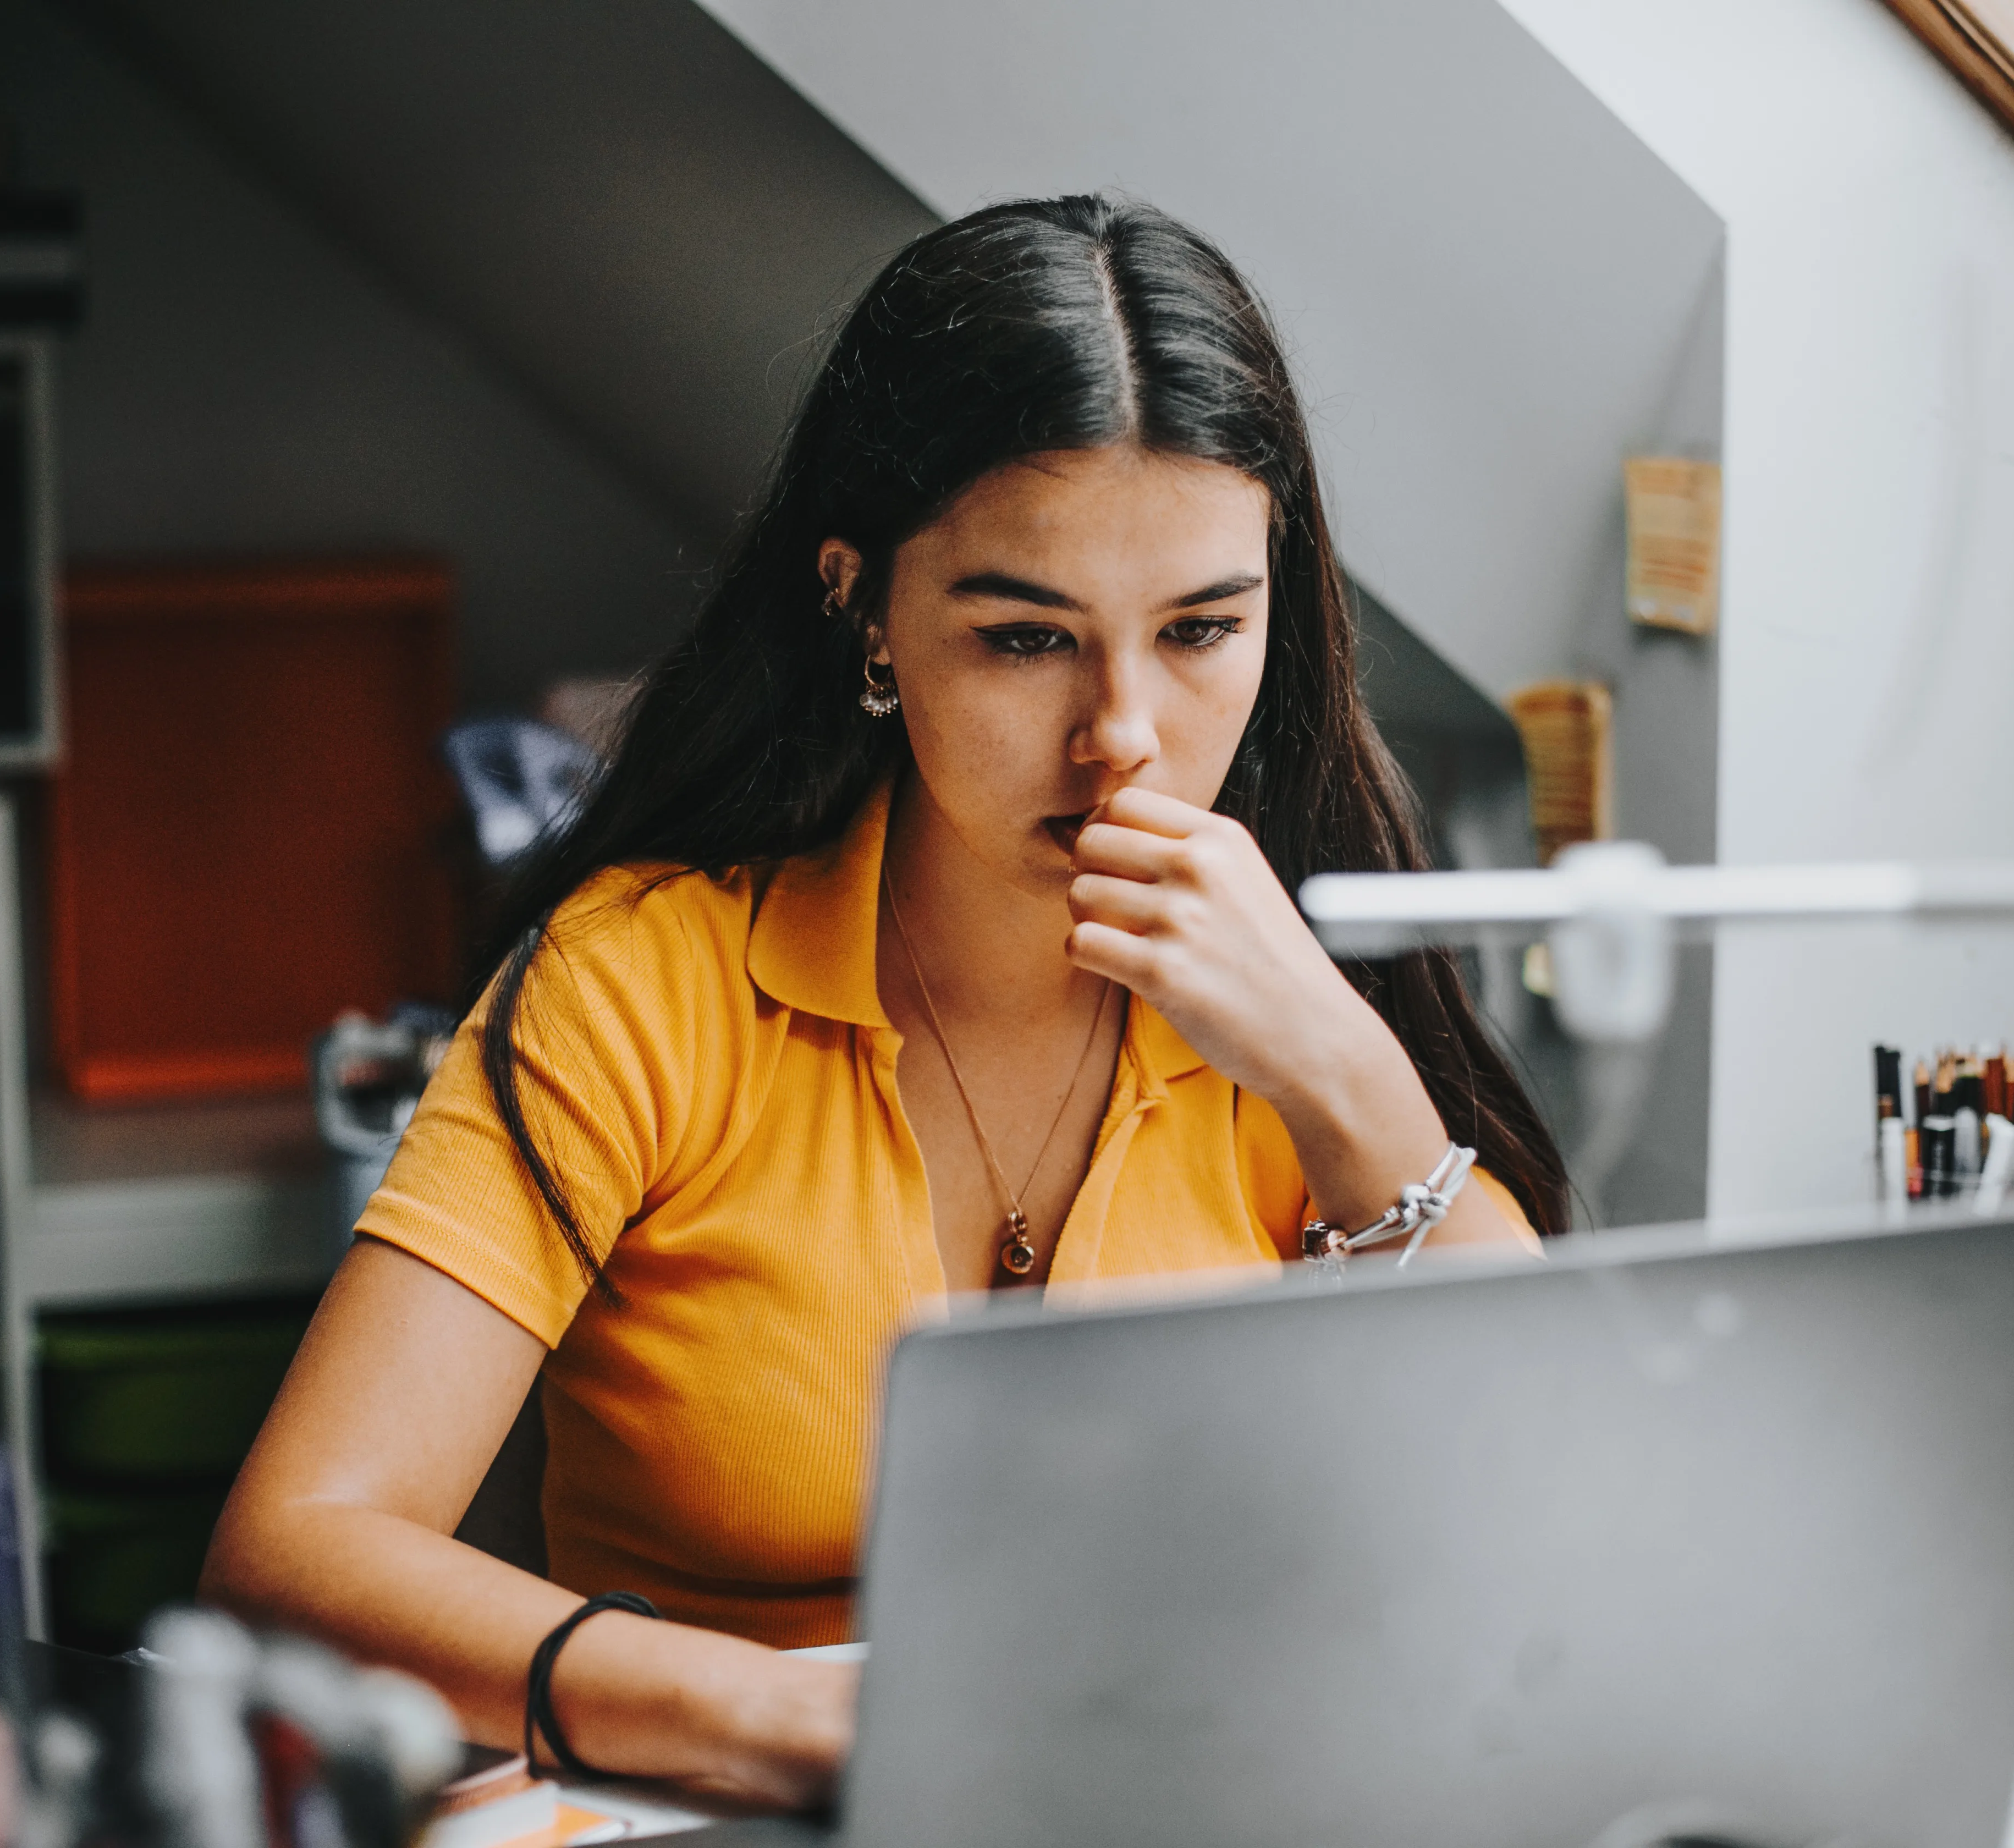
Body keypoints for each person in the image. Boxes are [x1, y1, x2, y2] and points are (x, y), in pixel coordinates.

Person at [202, 194, 1569, 1810]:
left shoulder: (1290, 1009)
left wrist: (1346, 1079)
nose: (1123, 733)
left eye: (1203, 629)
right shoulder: (642, 983)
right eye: (1022, 639)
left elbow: (1540, 1529)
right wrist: (792, 1728)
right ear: (866, 606)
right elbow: (292, 1553)